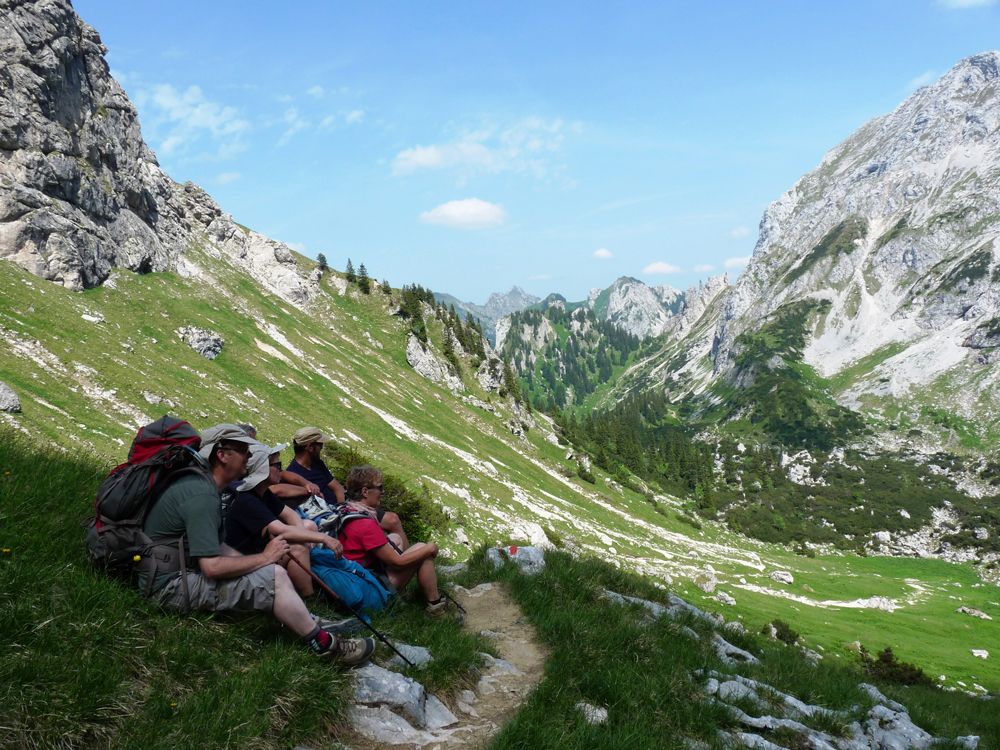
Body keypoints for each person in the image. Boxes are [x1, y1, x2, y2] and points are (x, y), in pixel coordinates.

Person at [139, 423, 374, 666]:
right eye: (243, 450)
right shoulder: (202, 495)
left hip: (168, 572)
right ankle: (324, 645)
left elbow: (217, 546)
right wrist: (264, 559)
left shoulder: (201, 487)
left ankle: (307, 621)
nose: (249, 457)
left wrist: (257, 564)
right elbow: (211, 566)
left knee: (270, 572)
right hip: (168, 587)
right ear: (222, 455)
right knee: (274, 574)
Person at [225, 442, 344, 597]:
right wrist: (324, 537)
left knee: (302, 536)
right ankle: (309, 598)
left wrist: (305, 536)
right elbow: (280, 529)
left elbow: (290, 515)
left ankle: (300, 590)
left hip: (255, 554)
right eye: (276, 465)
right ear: (262, 469)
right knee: (298, 549)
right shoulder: (247, 499)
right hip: (243, 563)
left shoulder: (262, 492)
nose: (280, 469)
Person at [338, 464, 453, 617]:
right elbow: (397, 562)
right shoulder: (365, 524)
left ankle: (428, 597)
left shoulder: (345, 509)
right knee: (422, 549)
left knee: (395, 538)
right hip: (368, 588)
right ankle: (436, 607)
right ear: (365, 491)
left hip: (351, 578)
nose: (383, 492)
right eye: (380, 488)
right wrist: (430, 548)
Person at [286, 427, 409, 547]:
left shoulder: (317, 464)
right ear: (309, 447)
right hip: (327, 517)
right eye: (319, 445)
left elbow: (337, 488)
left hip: (343, 509)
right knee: (384, 523)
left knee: (393, 519)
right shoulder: (293, 473)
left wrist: (343, 510)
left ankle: (407, 560)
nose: (322, 448)